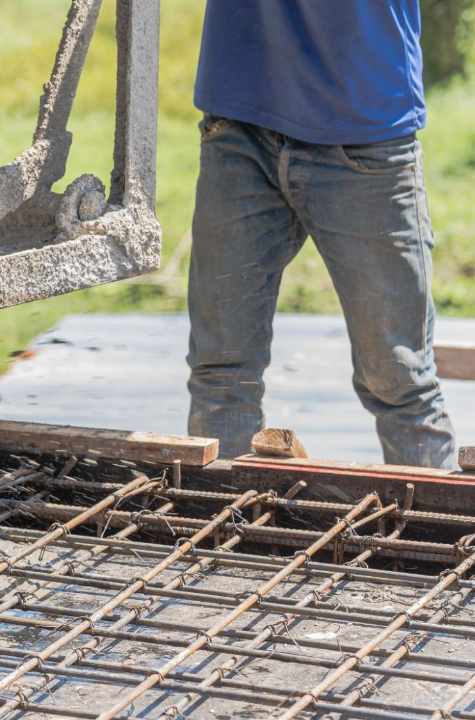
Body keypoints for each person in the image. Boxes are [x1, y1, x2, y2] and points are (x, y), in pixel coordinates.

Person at [186, 0, 456, 468]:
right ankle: (224, 530)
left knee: (400, 382)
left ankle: (433, 530)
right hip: (239, 121)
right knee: (221, 370)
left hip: (365, 130)